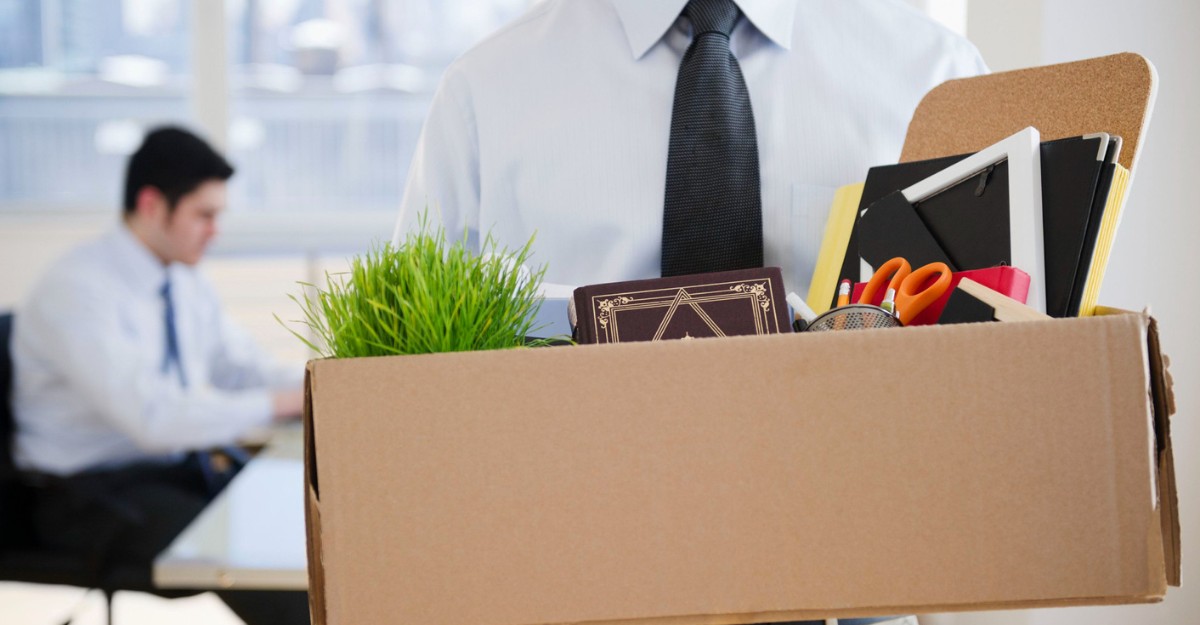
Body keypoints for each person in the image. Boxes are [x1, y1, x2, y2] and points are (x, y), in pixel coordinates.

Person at [393, 1, 989, 624]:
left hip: (852, 592)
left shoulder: (935, 77)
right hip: (571, 589)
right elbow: (409, 400)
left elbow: (985, 405)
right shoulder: (485, 93)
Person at [11, 126, 309, 624]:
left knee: (297, 523)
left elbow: (240, 367)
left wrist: (319, 384)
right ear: (152, 206)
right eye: (204, 215)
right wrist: (281, 403)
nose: (216, 230)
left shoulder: (180, 277)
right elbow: (153, 419)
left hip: (167, 472)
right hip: (83, 494)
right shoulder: (78, 290)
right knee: (255, 562)